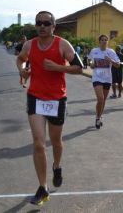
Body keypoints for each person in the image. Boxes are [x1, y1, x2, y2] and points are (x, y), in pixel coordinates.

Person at [16, 11, 83, 206]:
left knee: (56, 142)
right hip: (35, 96)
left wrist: (57, 67)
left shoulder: (63, 44)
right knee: (38, 143)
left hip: (56, 99)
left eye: (46, 23)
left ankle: (57, 166)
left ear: (53, 26)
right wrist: (22, 71)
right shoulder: (30, 45)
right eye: (39, 23)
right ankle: (43, 187)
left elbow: (80, 68)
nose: (42, 26)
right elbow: (20, 59)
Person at [88, 34, 120, 129]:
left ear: (107, 42)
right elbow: (89, 61)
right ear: (99, 41)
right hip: (97, 78)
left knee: (103, 100)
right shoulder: (94, 51)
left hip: (107, 79)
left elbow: (118, 65)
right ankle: (98, 118)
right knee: (100, 99)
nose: (104, 41)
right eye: (102, 39)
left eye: (106, 40)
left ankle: (100, 116)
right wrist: (91, 64)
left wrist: (110, 60)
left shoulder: (111, 52)